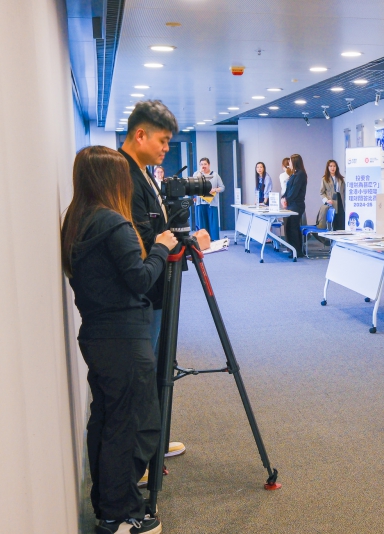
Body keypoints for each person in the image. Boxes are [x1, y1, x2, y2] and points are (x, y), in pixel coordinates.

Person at [61, 146, 178, 534]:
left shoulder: (77, 220)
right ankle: (120, 515)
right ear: (112, 180)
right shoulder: (113, 223)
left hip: (98, 334)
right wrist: (161, 247)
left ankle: (109, 505)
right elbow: (141, 279)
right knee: (130, 425)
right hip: (124, 338)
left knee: (108, 421)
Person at [120, 100, 186, 462]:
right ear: (141, 134)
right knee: (143, 377)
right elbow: (142, 238)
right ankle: (141, 459)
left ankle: (154, 443)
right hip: (144, 290)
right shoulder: (124, 176)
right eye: (162, 141)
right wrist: (166, 242)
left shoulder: (143, 172)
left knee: (157, 367)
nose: (166, 149)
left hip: (158, 287)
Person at [193, 157, 225, 240]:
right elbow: (194, 184)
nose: (203, 166)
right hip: (200, 203)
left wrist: (215, 189)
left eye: (205, 164)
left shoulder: (215, 175)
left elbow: (222, 187)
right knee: (202, 224)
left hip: (211, 203)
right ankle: (203, 240)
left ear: (209, 165)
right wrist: (200, 172)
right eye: (201, 164)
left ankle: (214, 240)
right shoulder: (196, 174)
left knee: (213, 224)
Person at [281, 154, 307, 255]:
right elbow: (288, 190)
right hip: (291, 204)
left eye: (290, 161)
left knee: (293, 227)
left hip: (297, 205)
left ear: (295, 162)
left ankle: (297, 251)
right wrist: (283, 197)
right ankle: (293, 249)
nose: (289, 163)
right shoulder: (294, 174)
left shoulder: (300, 174)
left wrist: (286, 199)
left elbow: (294, 191)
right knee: (290, 227)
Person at [318, 159, 346, 230]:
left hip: (340, 201)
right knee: (333, 222)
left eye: (334, 166)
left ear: (336, 167)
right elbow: (322, 192)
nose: (332, 168)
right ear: (328, 167)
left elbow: (344, 191)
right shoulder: (324, 179)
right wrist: (326, 200)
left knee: (341, 221)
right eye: (330, 166)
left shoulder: (341, 179)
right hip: (331, 202)